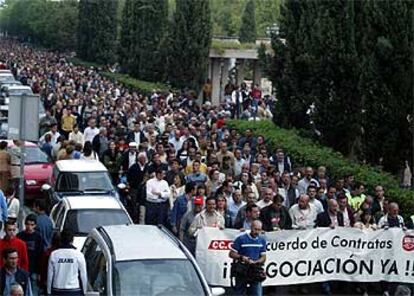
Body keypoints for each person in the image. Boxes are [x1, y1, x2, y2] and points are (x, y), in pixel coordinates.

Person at [229, 220, 267, 296]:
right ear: (251, 228)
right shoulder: (241, 239)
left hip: (255, 270)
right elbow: (231, 254)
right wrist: (242, 257)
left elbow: (264, 256)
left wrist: (257, 262)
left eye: (259, 230)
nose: (257, 232)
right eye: (255, 229)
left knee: (256, 293)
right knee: (239, 293)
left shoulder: (262, 241)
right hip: (242, 270)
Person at [47, 229, 87, 296]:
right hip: (74, 289)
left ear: (61, 239)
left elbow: (50, 275)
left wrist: (49, 291)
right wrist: (84, 291)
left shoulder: (54, 254)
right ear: (72, 240)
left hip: (57, 289)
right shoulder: (78, 255)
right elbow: (83, 275)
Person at [16, 214, 42, 295]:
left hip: (33, 269)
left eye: (32, 225)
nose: (29, 227)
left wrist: (39, 272)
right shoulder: (20, 236)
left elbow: (40, 255)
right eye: (27, 224)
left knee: (33, 290)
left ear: (35, 225)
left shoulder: (38, 237)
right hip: (21, 268)